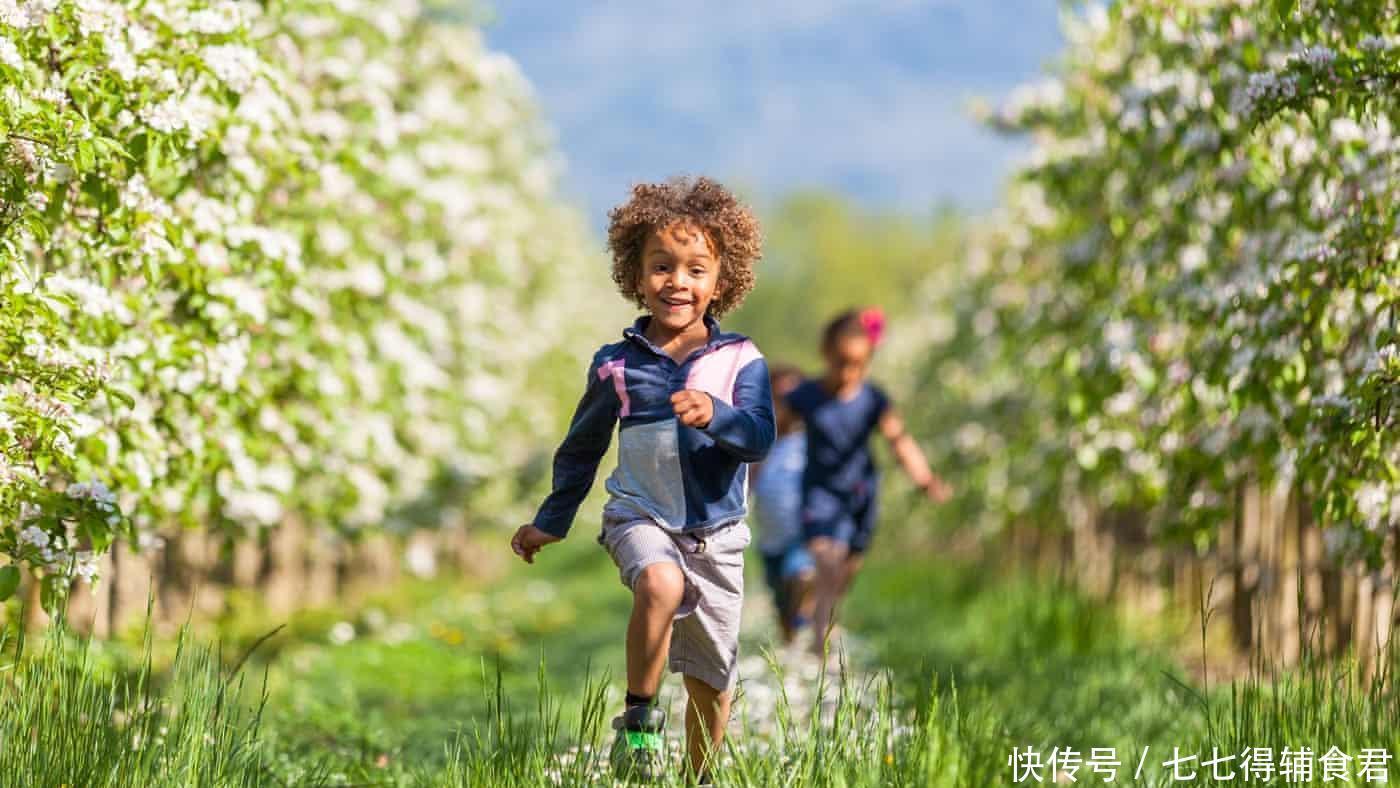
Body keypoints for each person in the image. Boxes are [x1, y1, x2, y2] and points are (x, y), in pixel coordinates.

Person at [509, 176, 772, 785]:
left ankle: (700, 777)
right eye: (661, 266)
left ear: (720, 281)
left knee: (712, 674)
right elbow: (582, 448)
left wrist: (718, 415)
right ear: (636, 273)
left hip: (717, 532)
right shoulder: (617, 365)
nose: (677, 282)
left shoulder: (740, 360)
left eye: (695, 269)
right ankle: (639, 719)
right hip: (640, 515)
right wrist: (550, 521)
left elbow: (760, 436)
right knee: (660, 583)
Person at [785, 307, 952, 659]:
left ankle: (812, 608)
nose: (848, 372)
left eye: (857, 364)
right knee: (828, 562)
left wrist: (925, 479)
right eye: (841, 362)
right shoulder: (807, 396)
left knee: (844, 573)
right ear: (826, 355)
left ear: (868, 361)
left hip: (859, 496)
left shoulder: (874, 400)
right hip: (819, 493)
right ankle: (820, 649)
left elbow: (900, 441)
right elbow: (772, 431)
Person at [749, 363, 816, 644]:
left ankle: (807, 617)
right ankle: (791, 649)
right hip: (771, 538)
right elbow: (749, 483)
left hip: (804, 533)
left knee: (801, 575)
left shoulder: (811, 441)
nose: (785, 406)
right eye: (778, 398)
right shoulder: (763, 443)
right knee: (781, 606)